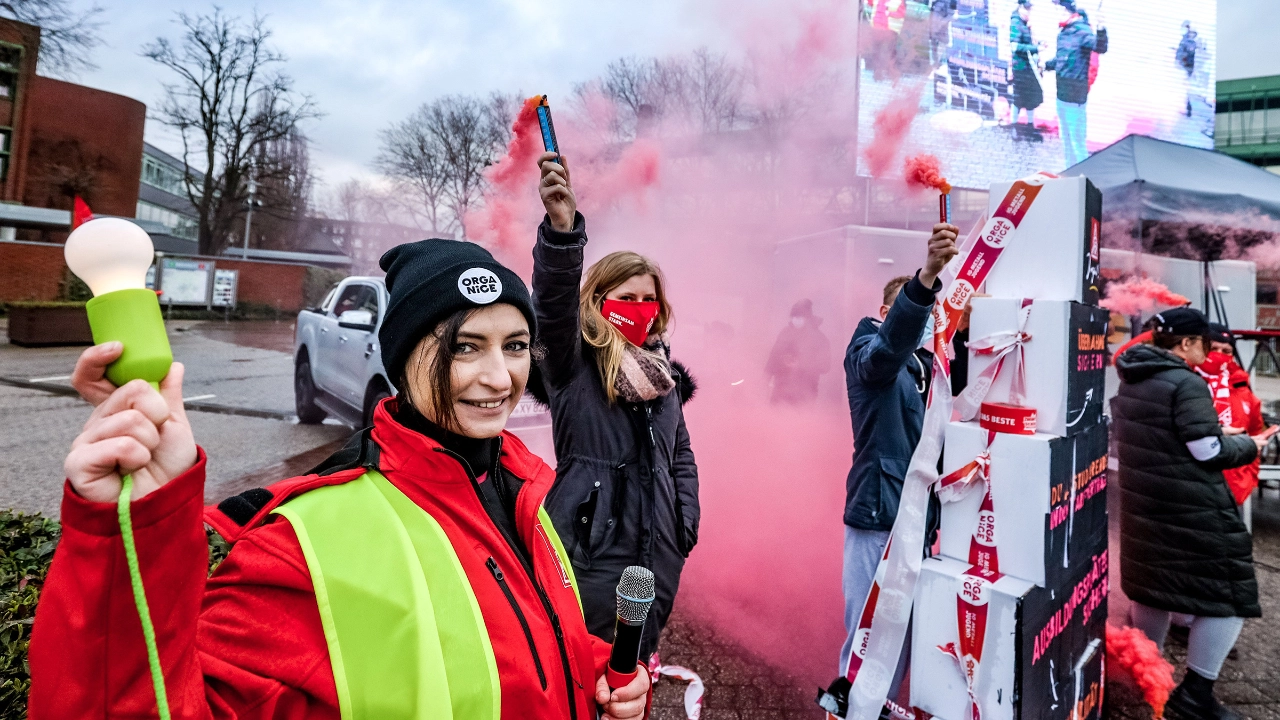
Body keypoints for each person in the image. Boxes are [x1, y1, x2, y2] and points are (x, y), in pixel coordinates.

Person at [29, 240, 651, 719]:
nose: (499, 377)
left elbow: (505, 641)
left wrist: (592, 672)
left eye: (514, 346)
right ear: (402, 357)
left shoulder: (522, 485)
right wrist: (132, 531)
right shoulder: (305, 542)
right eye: (464, 347)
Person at [531, 151, 699, 662]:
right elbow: (551, 306)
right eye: (627, 297)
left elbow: (681, 455)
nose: (640, 309)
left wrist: (684, 523)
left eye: (649, 300)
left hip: (658, 557)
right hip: (589, 556)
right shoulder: (572, 362)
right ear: (598, 298)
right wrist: (562, 234)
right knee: (576, 674)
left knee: (633, 675)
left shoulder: (663, 376)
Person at [1112, 307, 1270, 720]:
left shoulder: (1135, 376)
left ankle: (1145, 678)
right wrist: (1250, 445)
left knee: (1154, 590)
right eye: (1204, 343)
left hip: (1148, 507)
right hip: (1191, 509)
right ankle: (1194, 696)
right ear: (1186, 343)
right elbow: (1206, 451)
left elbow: (1166, 435)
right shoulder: (1186, 382)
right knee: (1228, 599)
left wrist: (1216, 432)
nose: (1210, 352)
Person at [837, 223, 959, 699]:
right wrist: (925, 280)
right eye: (924, 314)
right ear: (889, 313)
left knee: (903, 635)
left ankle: (882, 705)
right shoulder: (869, 354)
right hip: (878, 515)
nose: (931, 324)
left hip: (916, 522)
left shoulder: (929, 368)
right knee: (869, 635)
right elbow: (888, 349)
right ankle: (853, 705)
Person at [1044, 0, 1107, 167]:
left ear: (1067, 10)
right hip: (1061, 97)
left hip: (1075, 100)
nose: (1055, 12)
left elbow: (1100, 47)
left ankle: (1084, 177)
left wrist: (1101, 28)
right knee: (1066, 142)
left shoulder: (1082, 31)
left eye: (1057, 9)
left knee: (1077, 143)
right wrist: (1046, 65)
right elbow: (1062, 59)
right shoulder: (1063, 31)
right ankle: (1069, 173)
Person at [766, 299, 833, 405]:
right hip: (780, 389)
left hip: (806, 392)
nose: (796, 319)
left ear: (808, 318)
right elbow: (773, 357)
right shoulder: (785, 333)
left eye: (800, 316)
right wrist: (766, 377)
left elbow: (825, 366)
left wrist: (801, 364)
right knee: (776, 414)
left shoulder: (819, 338)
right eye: (794, 316)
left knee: (800, 415)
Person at [1009, 0, 1044, 141]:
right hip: (1020, 68)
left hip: (1029, 67)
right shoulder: (1016, 23)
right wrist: (1036, 48)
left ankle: (1030, 126)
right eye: (1027, 9)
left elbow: (1028, 43)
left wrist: (1037, 44)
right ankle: (1014, 128)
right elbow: (1014, 47)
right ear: (1020, 8)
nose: (1029, 12)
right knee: (1018, 99)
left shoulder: (1024, 23)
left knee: (1031, 98)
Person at [1177, 21, 1199, 117]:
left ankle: (1188, 110)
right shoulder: (1185, 40)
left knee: (1186, 90)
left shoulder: (1190, 42)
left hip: (1186, 69)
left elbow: (1186, 55)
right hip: (1185, 68)